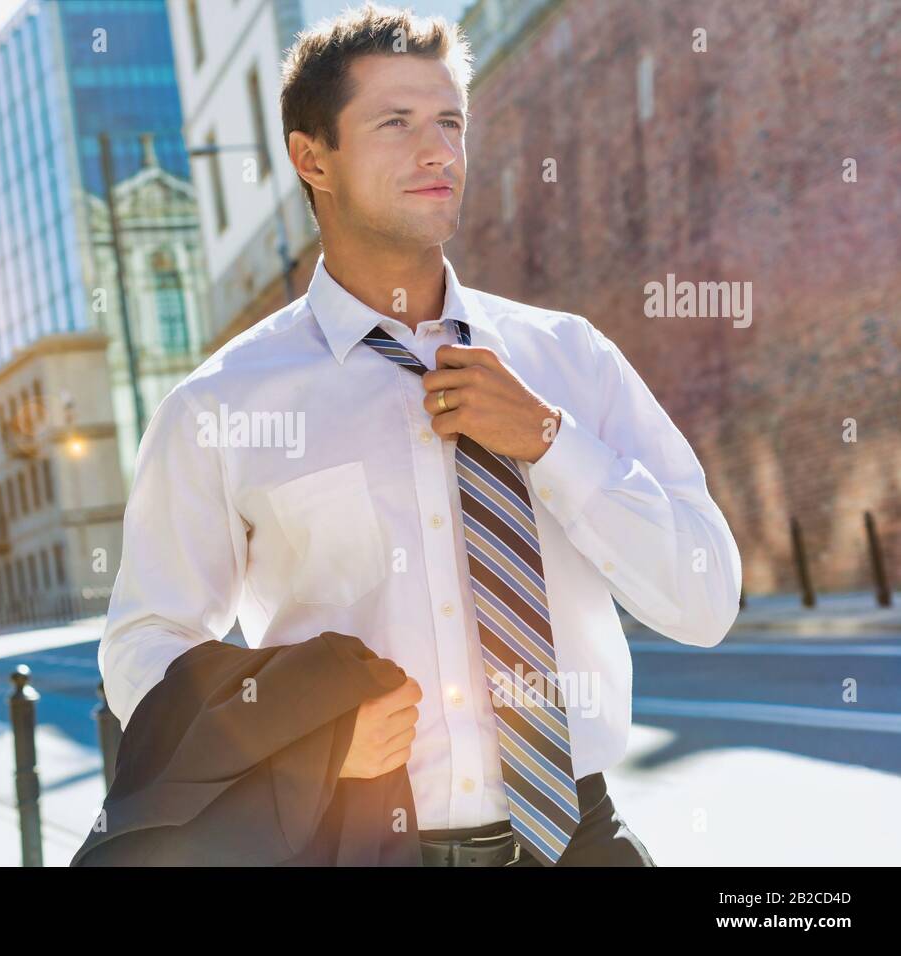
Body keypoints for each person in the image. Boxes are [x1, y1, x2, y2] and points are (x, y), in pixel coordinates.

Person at [99, 3, 741, 867]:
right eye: (395, 123)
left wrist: (552, 443)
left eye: (449, 122)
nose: (437, 150)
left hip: (581, 839)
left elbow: (706, 600)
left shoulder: (568, 361)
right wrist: (296, 742)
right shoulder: (220, 409)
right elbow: (145, 651)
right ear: (311, 158)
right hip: (359, 844)